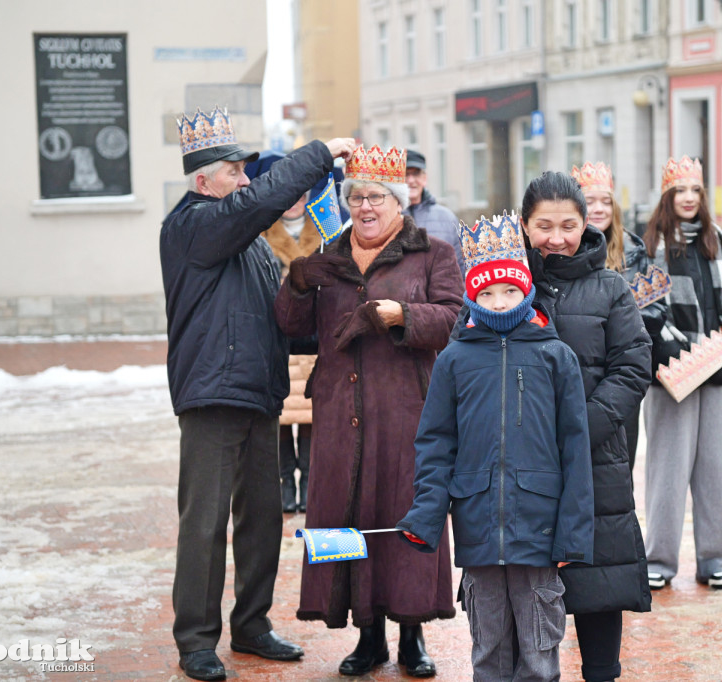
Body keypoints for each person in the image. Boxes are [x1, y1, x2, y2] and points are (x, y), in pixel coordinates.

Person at [160, 105, 355, 681]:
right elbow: (258, 203)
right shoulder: (193, 225)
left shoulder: (251, 247)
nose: (244, 180)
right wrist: (320, 153)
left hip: (258, 397)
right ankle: (196, 639)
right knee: (204, 523)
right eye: (234, 171)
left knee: (262, 519)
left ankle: (251, 624)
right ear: (204, 181)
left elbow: (284, 319)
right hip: (211, 399)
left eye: (247, 171)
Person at [274, 144, 462, 678]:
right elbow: (290, 324)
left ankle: (412, 636)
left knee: (404, 517)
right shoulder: (329, 255)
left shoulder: (433, 253)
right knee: (351, 518)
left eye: (376, 196)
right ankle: (368, 635)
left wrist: (401, 314)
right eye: (355, 197)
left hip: (407, 411)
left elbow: (453, 318)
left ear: (399, 201)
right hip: (339, 413)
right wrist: (297, 280)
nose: (364, 206)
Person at [397, 213, 595, 681]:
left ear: (526, 289)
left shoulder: (555, 356)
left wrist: (572, 531)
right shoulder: (453, 359)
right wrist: (427, 513)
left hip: (540, 532)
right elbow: (435, 443)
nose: (499, 302)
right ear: (471, 294)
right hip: (478, 527)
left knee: (539, 651)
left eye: (509, 291)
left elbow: (575, 448)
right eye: (486, 293)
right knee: (488, 651)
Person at [521, 171, 652, 682]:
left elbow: (633, 364)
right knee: (522, 587)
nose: (556, 237)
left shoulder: (610, 287)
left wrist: (579, 428)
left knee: (598, 582)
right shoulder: (506, 282)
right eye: (543, 225)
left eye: (568, 225)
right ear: (525, 225)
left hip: (595, 457)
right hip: (522, 460)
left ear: (586, 224)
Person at [641, 156, 722, 592]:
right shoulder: (650, 244)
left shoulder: (719, 240)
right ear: (667, 197)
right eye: (680, 192)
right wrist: (685, 353)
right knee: (667, 468)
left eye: (695, 191)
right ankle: (658, 558)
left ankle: (717, 558)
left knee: (714, 467)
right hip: (672, 370)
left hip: (718, 366)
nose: (689, 199)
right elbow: (648, 307)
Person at [572, 161, 668, 472]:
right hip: (577, 375)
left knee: (617, 469)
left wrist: (621, 318)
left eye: (605, 201)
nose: (598, 209)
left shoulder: (634, 254)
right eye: (589, 201)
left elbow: (655, 312)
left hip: (620, 377)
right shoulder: (559, 251)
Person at [246, 153, 320, 513]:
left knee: (309, 416)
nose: (294, 201)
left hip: (314, 338)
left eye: (300, 193)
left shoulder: (325, 230)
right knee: (277, 416)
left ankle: (308, 482)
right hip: (274, 336)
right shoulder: (259, 232)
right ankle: (282, 487)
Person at [404, 149, 464, 274]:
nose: (411, 180)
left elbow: (460, 267)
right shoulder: (388, 217)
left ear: (424, 178)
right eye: (405, 175)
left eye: (416, 174)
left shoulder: (447, 218)